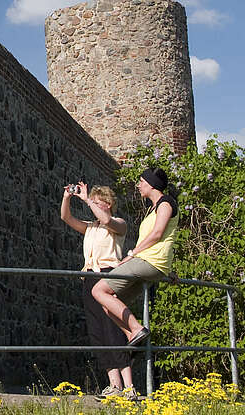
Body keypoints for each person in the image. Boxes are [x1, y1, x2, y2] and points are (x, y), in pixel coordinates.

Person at [90, 166, 179, 348]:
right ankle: (133, 336)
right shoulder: (152, 208)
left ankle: (137, 328)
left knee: (98, 290)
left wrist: (131, 255)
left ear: (152, 185)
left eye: (141, 182)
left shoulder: (165, 204)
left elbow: (157, 234)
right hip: (150, 263)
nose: (138, 185)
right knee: (110, 304)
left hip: (148, 262)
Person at [61, 182, 135, 398]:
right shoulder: (91, 227)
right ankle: (114, 385)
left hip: (109, 278)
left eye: (98, 201)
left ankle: (129, 386)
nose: (94, 204)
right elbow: (67, 218)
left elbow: (107, 220)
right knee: (97, 333)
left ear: (109, 203)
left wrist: (87, 200)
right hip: (89, 278)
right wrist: (67, 197)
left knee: (113, 329)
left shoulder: (118, 224)